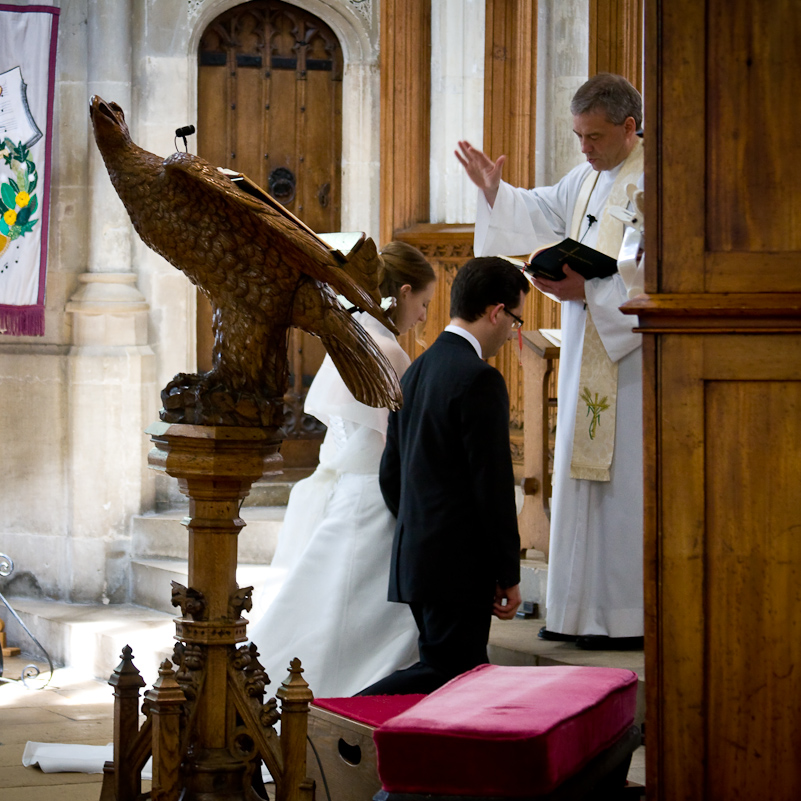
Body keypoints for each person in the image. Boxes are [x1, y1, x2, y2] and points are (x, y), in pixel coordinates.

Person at [456, 73, 644, 650]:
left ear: (630, 128)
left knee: (621, 485)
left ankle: (622, 616)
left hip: (628, 356)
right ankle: (577, 610)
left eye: (594, 137)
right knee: (579, 476)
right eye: (578, 136)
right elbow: (540, 211)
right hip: (587, 337)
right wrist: (497, 192)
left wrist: (587, 292)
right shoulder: (587, 179)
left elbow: (650, 273)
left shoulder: (653, 183)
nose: (584, 149)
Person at [247, 241, 436, 697]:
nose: (425, 316)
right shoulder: (389, 351)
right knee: (355, 615)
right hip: (376, 501)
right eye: (424, 304)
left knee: (326, 608)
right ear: (404, 292)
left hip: (347, 492)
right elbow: (397, 445)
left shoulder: (353, 339)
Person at [358, 257, 528, 696]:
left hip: (420, 562)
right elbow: (491, 486)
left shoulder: (415, 372)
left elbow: (390, 475)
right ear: (496, 311)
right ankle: (330, 722)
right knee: (450, 673)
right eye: (515, 320)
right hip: (458, 569)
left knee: (458, 679)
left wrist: (421, 531)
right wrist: (507, 570)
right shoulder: (479, 379)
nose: (513, 332)